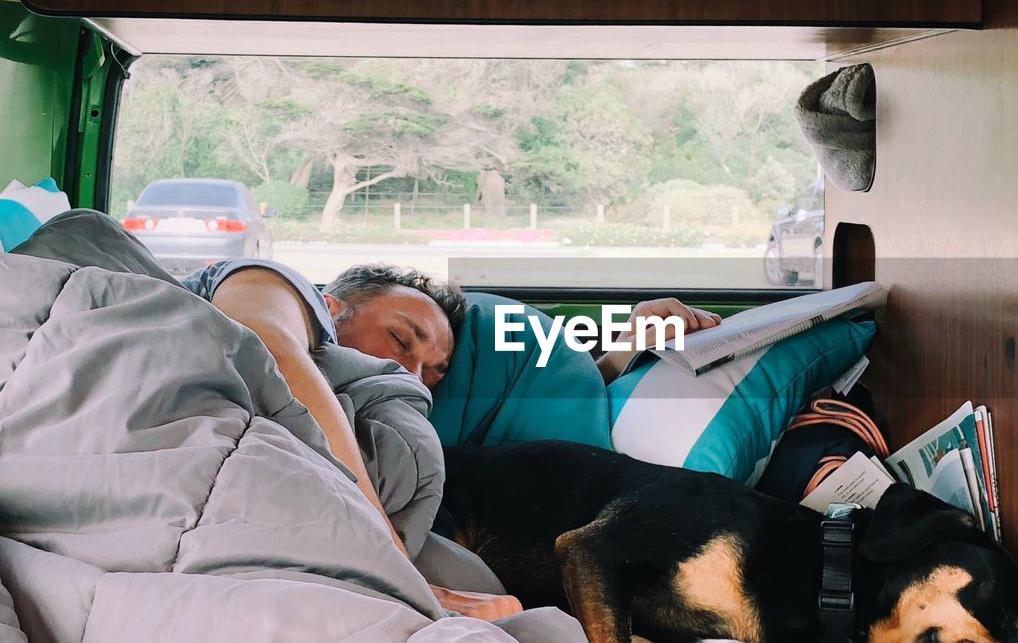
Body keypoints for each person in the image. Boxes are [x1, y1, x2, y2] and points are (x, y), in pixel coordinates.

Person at [181, 258, 720, 617]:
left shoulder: (390, 411)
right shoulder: (271, 281)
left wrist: (624, 351)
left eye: (434, 372)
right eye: (400, 338)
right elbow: (269, 350)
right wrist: (394, 563)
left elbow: (554, 397)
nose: (412, 375)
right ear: (332, 305)